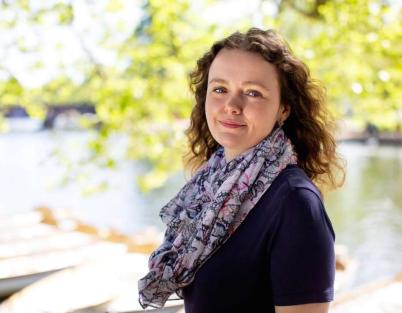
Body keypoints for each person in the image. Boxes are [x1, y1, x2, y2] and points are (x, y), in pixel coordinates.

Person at [138, 27, 345, 313]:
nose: (232, 106)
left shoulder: (295, 202)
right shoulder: (211, 183)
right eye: (220, 89)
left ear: (283, 108)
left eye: (253, 92)